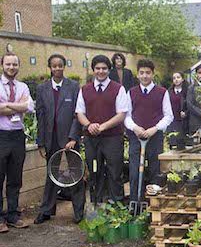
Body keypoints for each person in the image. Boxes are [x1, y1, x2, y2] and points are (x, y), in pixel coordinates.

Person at [34, 54, 85, 225]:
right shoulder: (42, 89)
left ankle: (79, 212)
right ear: (50, 67)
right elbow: (40, 116)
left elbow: (78, 115)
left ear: (64, 67)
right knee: (51, 173)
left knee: (75, 174)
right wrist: (41, 142)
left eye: (60, 65)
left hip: (69, 138)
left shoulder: (74, 87)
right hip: (51, 139)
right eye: (54, 66)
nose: (57, 68)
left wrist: (73, 137)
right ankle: (46, 210)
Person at [76, 54, 130, 203]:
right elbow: (80, 112)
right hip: (91, 139)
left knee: (115, 172)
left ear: (109, 70)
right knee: (95, 172)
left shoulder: (118, 89)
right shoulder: (84, 90)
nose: (101, 71)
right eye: (98, 68)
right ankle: (96, 203)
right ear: (93, 70)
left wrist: (102, 127)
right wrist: (89, 125)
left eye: (104, 68)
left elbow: (122, 114)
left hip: (112, 138)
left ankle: (117, 205)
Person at [124, 59, 173, 202]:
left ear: (153, 74)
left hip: (154, 138)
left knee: (154, 170)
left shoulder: (162, 92)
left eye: (148, 73)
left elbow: (168, 116)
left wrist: (155, 128)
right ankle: (135, 202)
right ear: (137, 75)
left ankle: (153, 204)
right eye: (141, 73)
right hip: (136, 138)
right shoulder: (131, 92)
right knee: (134, 172)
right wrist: (135, 128)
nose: (145, 76)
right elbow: (126, 116)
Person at [0, 52, 34, 232]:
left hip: (17, 136)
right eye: (8, 64)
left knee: (15, 178)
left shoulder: (23, 86)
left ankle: (13, 215)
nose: (11, 67)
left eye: (14, 64)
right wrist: (17, 105)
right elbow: (21, 107)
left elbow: (29, 107)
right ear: (2, 65)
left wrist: (6, 105)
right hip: (1, 135)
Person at [167, 71, 188, 148]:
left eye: (178, 77)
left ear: (182, 79)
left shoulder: (187, 91)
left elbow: (190, 105)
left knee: (181, 142)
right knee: (172, 141)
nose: (176, 80)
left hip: (183, 120)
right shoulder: (169, 92)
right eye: (174, 78)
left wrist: (185, 112)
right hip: (172, 120)